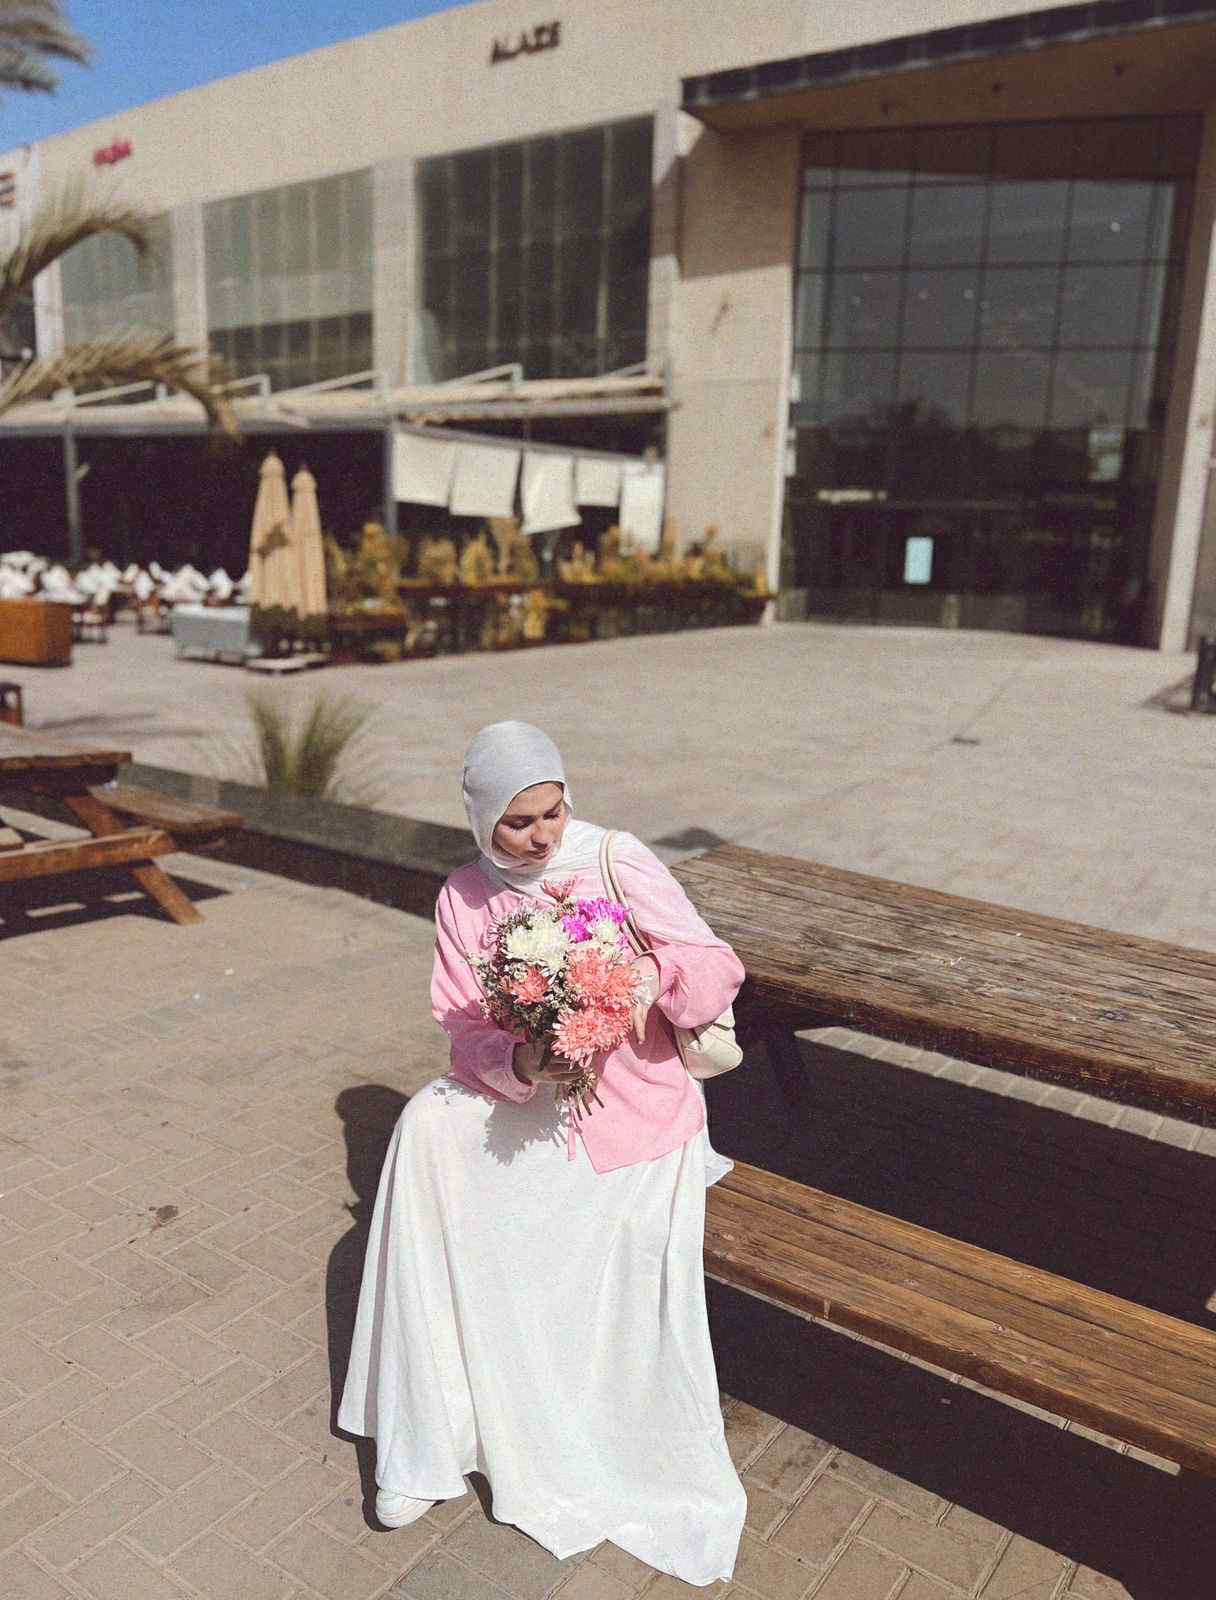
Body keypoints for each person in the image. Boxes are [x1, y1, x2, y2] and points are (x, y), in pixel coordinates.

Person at [338, 720, 748, 1586]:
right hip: (529, 1096)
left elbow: (715, 967)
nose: (541, 838)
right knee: (422, 1133)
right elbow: (461, 1024)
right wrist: (522, 1057)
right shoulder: (463, 895)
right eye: (517, 824)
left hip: (632, 1108)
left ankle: (553, 1431)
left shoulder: (614, 856)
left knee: (552, 1241)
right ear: (481, 820)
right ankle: (426, 1439)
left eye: (552, 813)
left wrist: (642, 979)